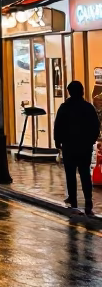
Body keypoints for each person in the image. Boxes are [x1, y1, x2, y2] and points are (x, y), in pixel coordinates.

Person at [54, 80, 101, 215]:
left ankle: (73, 200)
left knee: (70, 173)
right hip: (84, 147)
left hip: (69, 146)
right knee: (85, 174)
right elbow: (95, 126)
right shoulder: (88, 107)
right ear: (82, 91)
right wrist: (91, 140)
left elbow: (58, 126)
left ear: (69, 92)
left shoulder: (65, 107)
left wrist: (58, 142)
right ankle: (88, 200)